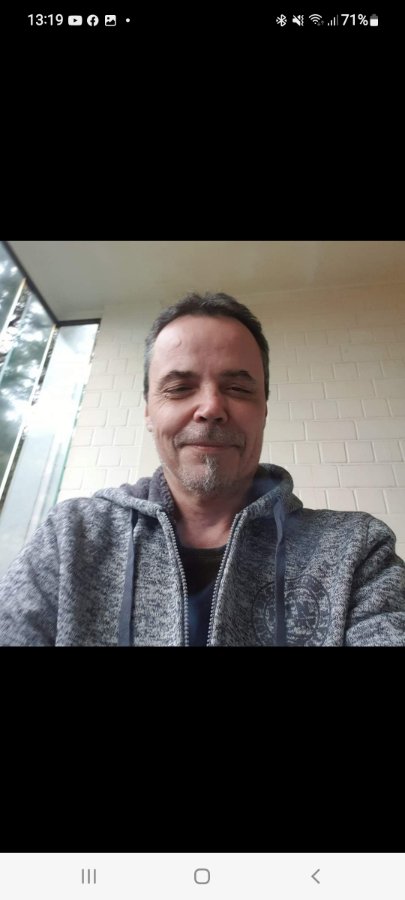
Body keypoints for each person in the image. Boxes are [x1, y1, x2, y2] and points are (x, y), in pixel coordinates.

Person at [0, 291, 404, 646]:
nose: (210, 407)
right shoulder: (70, 537)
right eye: (179, 388)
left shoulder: (358, 551)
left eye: (238, 388)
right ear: (148, 411)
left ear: (263, 409)